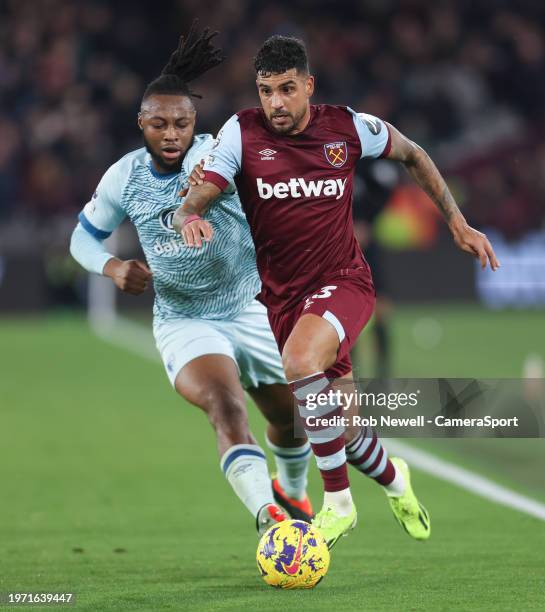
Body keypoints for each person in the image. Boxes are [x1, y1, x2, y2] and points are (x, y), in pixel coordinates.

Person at [173, 35, 500, 548]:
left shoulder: (346, 127)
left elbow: (413, 154)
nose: (275, 103)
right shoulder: (241, 132)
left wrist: (458, 222)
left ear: (308, 86)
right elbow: (201, 190)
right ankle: (396, 479)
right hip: (283, 300)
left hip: (344, 283)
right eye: (265, 91)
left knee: (300, 365)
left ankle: (339, 504)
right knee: (340, 430)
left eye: (286, 89)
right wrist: (189, 213)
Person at [69, 24, 314, 536]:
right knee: (225, 406)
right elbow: (82, 240)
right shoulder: (125, 176)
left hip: (252, 305)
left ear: (194, 122)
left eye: (180, 123)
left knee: (292, 422)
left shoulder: (216, 154)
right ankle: (269, 522)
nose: (171, 134)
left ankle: (292, 492)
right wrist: (113, 267)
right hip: (185, 317)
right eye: (158, 124)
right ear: (141, 123)